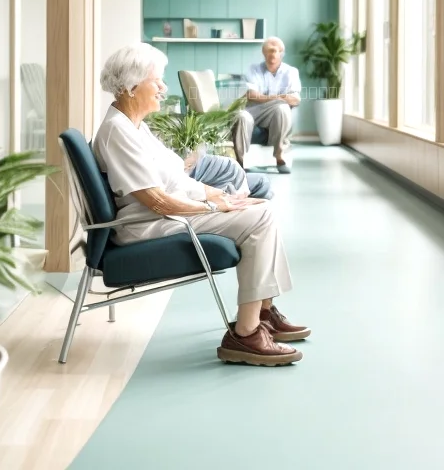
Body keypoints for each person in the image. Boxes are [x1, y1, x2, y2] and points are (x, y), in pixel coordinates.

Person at [92, 44, 310, 366]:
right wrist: (213, 208)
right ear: (131, 86)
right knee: (261, 217)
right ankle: (247, 333)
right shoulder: (118, 132)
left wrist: (220, 197)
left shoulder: (136, 126)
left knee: (259, 207)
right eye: (157, 80)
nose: (163, 87)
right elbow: (156, 200)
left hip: (165, 216)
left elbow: (177, 182)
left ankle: (263, 313)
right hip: (150, 225)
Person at [232, 37, 301, 173]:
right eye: (269, 51)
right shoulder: (253, 69)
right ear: (264, 53)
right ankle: (241, 162)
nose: (272, 54)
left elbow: (295, 99)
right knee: (241, 115)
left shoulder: (291, 72)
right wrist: (279, 97)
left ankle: (279, 155)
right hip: (253, 111)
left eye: (275, 51)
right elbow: (251, 95)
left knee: (282, 108)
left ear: (281, 53)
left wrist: (270, 99)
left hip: (275, 113)